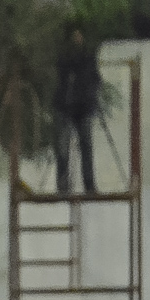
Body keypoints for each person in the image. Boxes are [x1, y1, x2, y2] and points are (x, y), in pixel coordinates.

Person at [53, 24, 101, 194]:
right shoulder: (64, 58)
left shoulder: (88, 57)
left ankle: (89, 184)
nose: (77, 39)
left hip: (83, 107)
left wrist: (92, 98)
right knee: (63, 147)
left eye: (79, 36)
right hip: (66, 107)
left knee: (86, 146)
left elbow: (95, 79)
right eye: (75, 36)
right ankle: (62, 184)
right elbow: (60, 81)